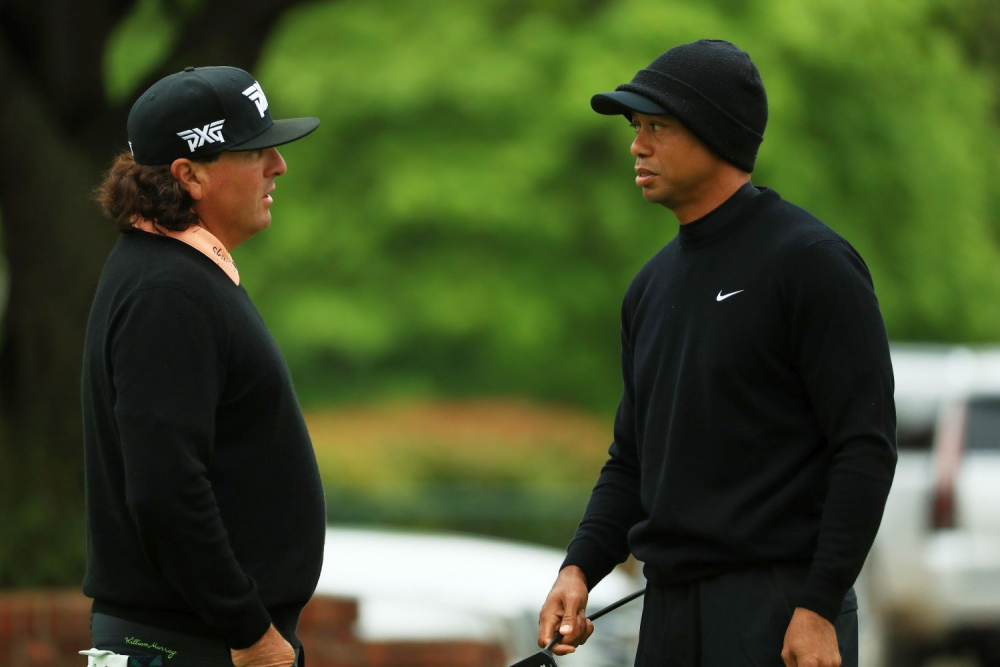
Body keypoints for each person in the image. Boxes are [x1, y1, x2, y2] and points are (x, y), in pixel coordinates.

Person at [535, 40, 896, 667]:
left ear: (715, 133)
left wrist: (818, 603)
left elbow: (864, 445)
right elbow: (633, 460)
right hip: (671, 612)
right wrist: (579, 568)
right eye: (635, 128)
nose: (636, 146)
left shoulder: (811, 263)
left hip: (783, 613)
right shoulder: (650, 285)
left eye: (656, 127)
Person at [82, 66, 325, 667]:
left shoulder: (170, 274)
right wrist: (250, 633)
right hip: (189, 646)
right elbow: (166, 489)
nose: (278, 166)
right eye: (254, 151)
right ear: (188, 176)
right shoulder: (168, 290)